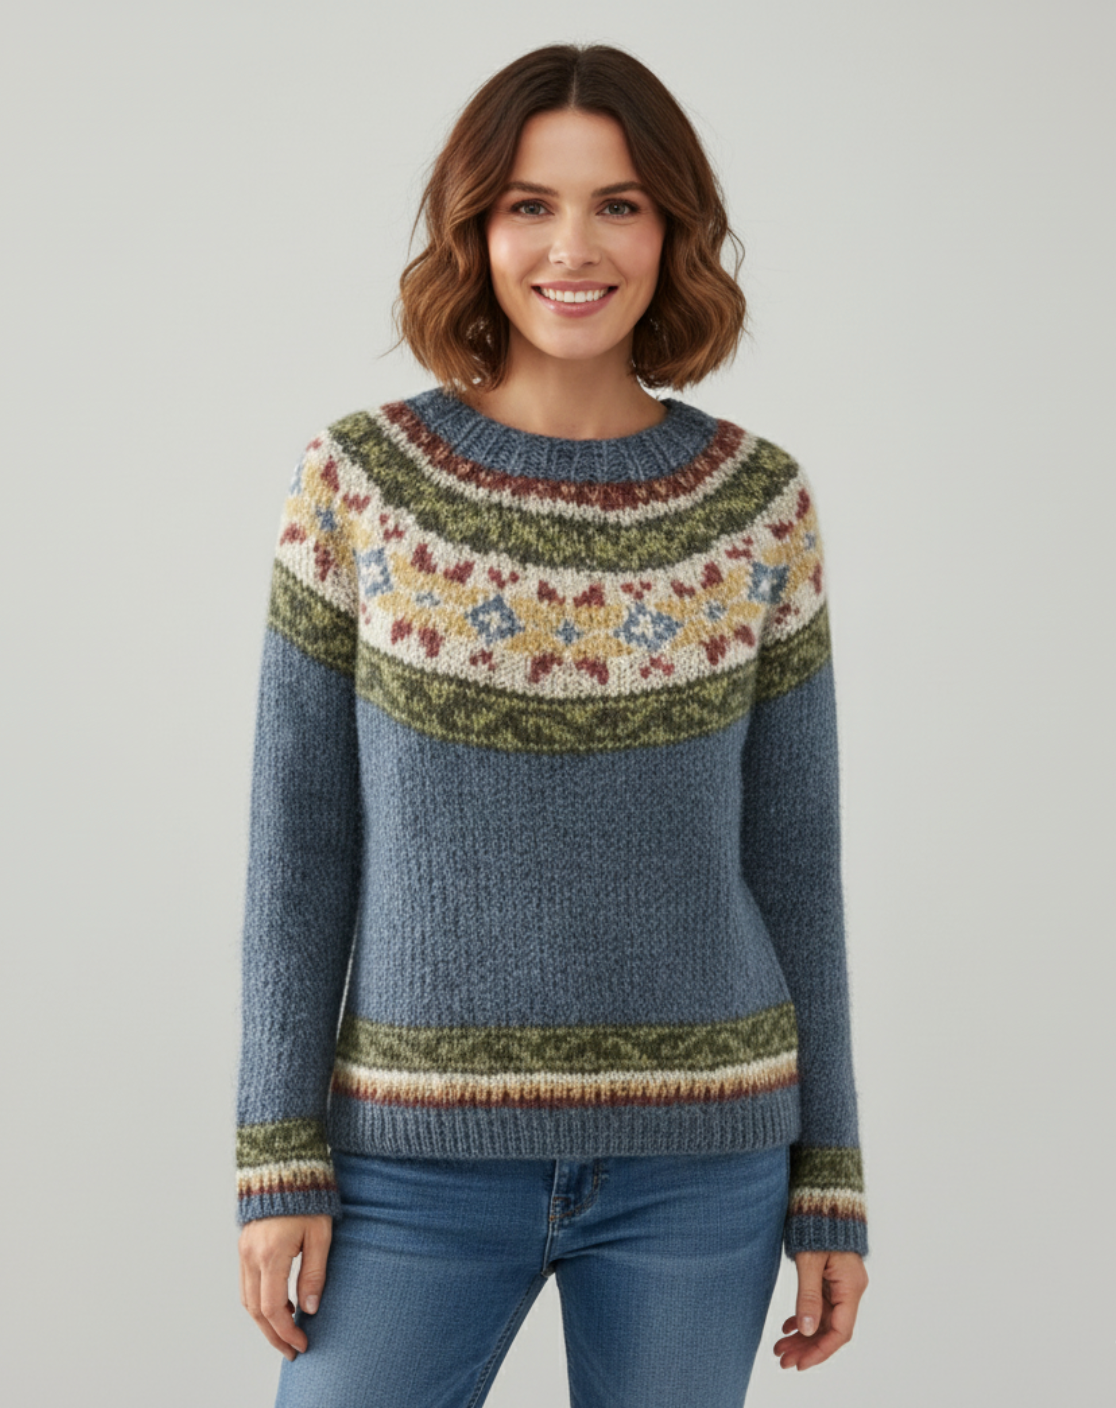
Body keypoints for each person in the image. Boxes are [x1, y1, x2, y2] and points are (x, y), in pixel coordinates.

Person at [235, 41, 869, 1408]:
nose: (573, 247)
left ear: (673, 231)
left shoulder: (759, 504)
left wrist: (831, 1178)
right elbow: (299, 843)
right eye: (531, 204)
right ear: (476, 230)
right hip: (408, 1164)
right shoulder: (358, 482)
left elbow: (796, 860)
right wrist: (276, 1155)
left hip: (706, 1159)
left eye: (617, 205)